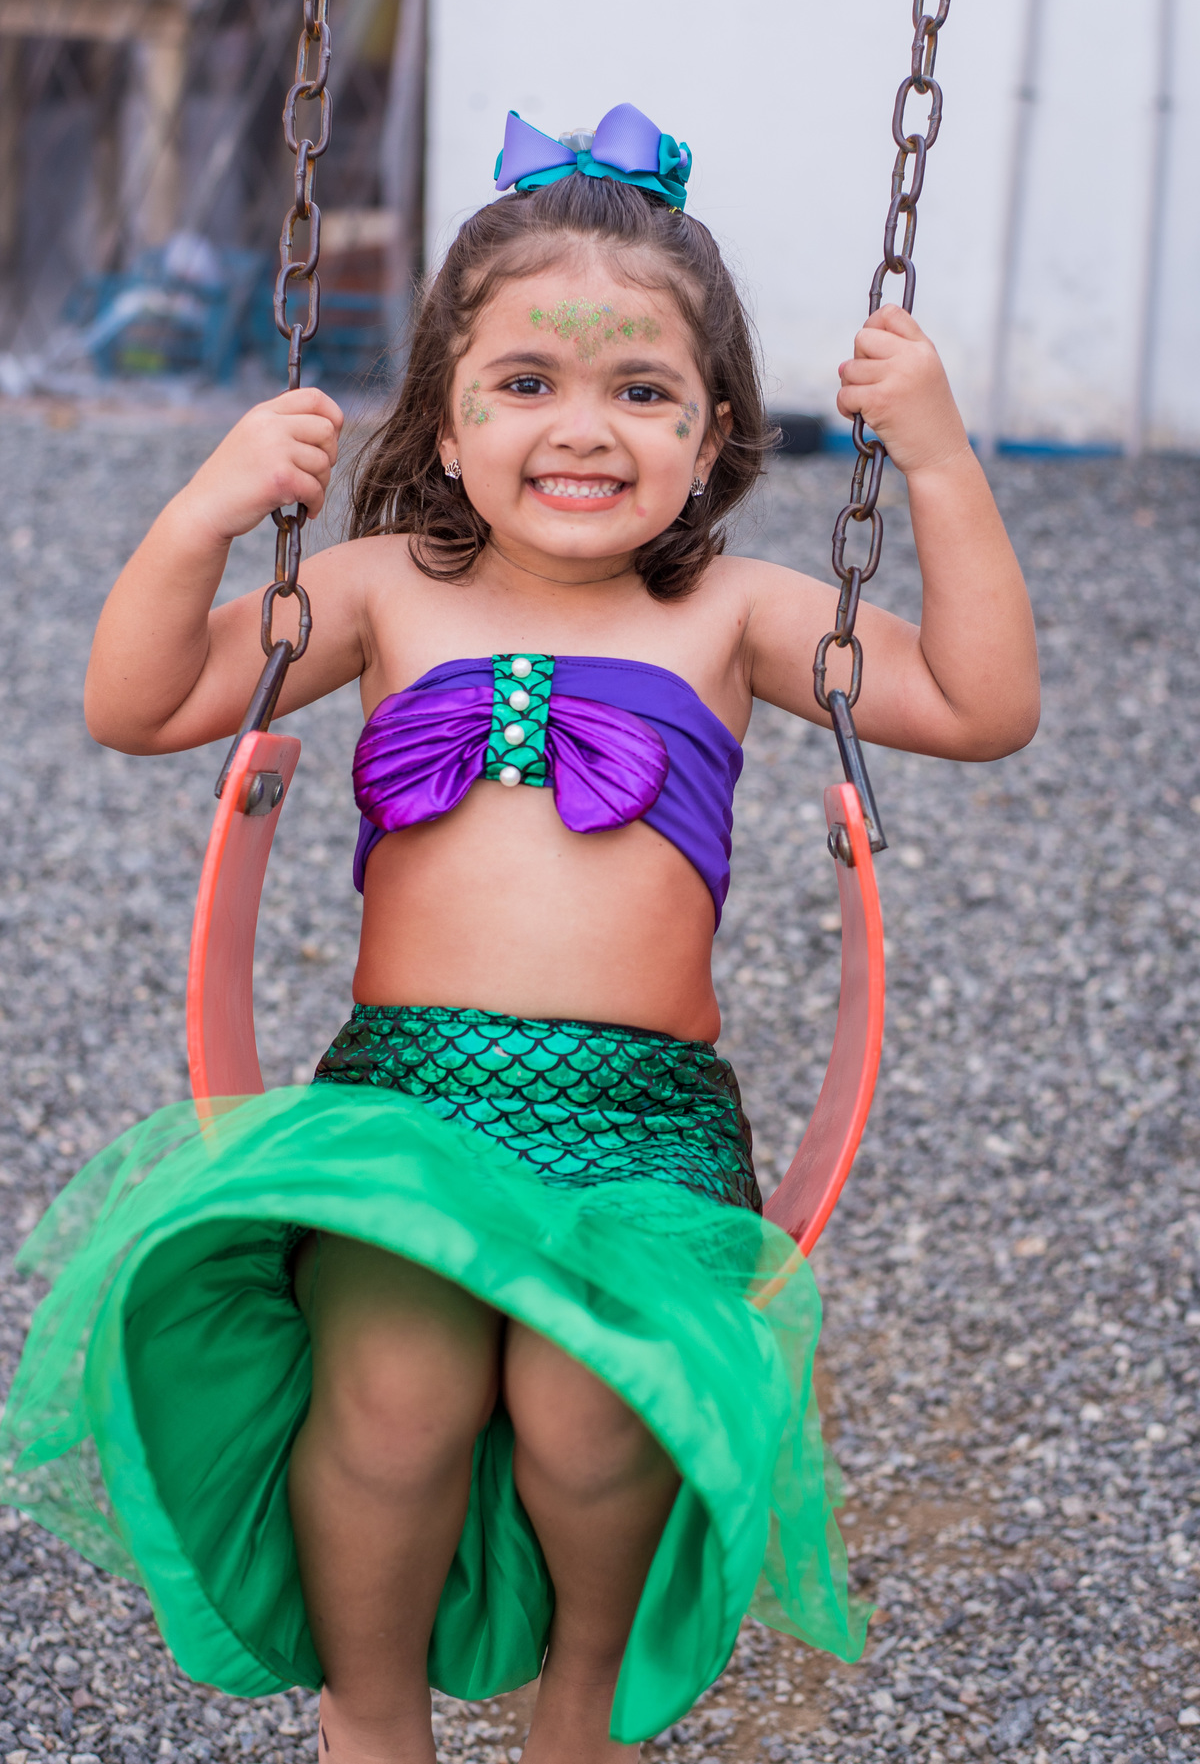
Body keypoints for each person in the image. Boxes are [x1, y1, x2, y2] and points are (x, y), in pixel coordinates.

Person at [0, 104, 1039, 1764]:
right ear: (448, 413)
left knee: (589, 1415)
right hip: (407, 1108)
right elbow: (141, 703)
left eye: (643, 392)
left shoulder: (732, 614)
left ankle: (582, 1715)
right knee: (394, 1401)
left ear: (714, 432)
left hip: (644, 1126)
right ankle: (371, 1714)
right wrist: (206, 508)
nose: (584, 429)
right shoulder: (380, 589)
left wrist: (934, 455)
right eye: (529, 381)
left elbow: (982, 706)